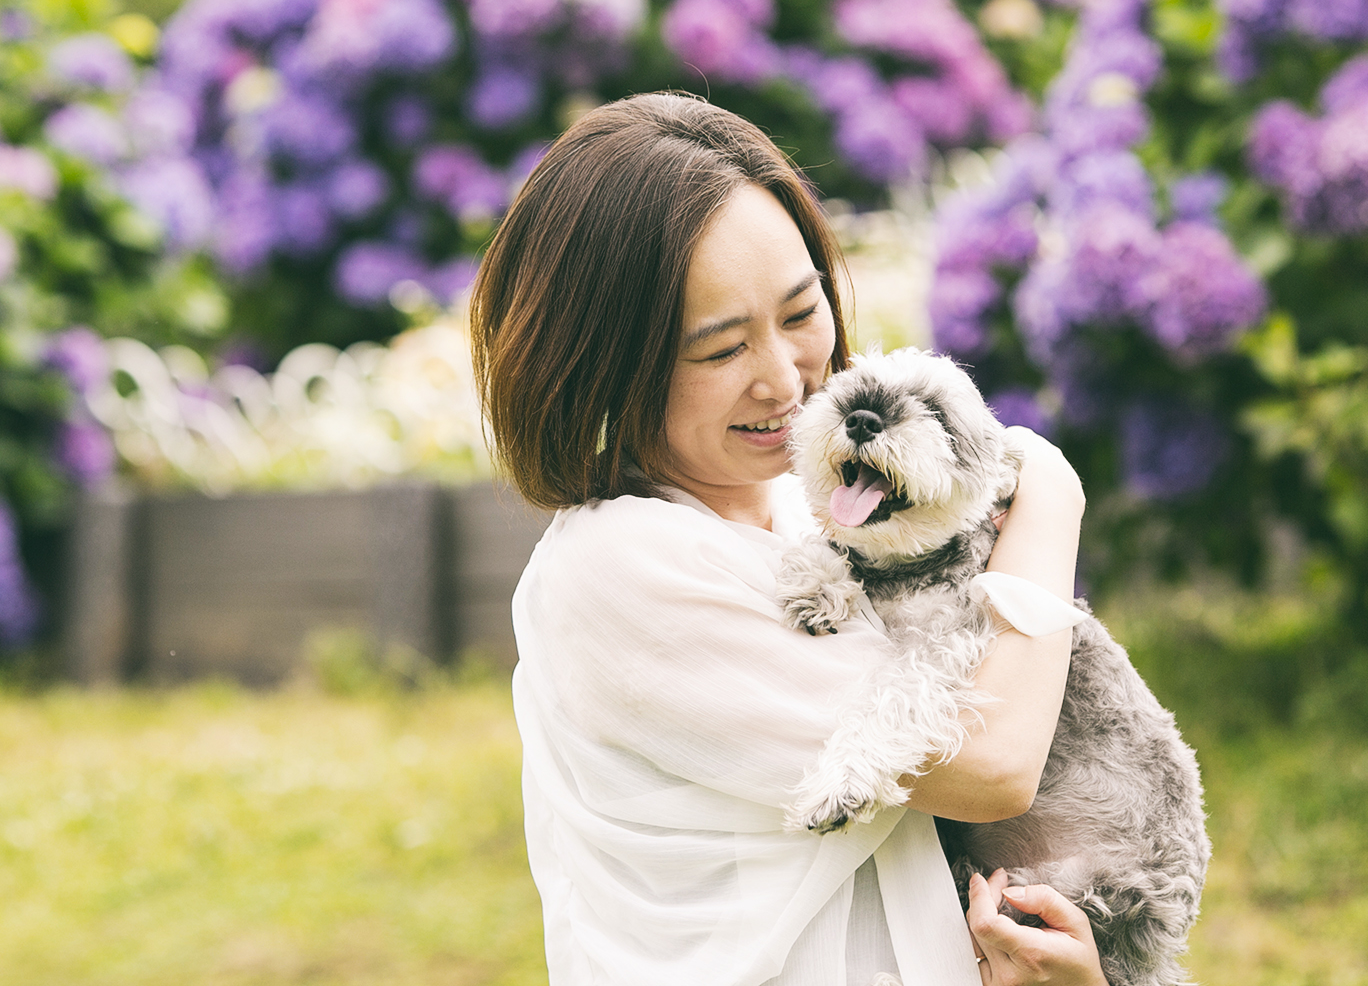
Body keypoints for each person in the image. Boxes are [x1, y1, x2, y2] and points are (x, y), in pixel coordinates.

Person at [470, 93, 1107, 986]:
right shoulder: (613, 568)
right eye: (719, 349)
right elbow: (991, 766)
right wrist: (1047, 492)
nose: (785, 379)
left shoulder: (812, 514)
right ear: (602, 361)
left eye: (802, 313)